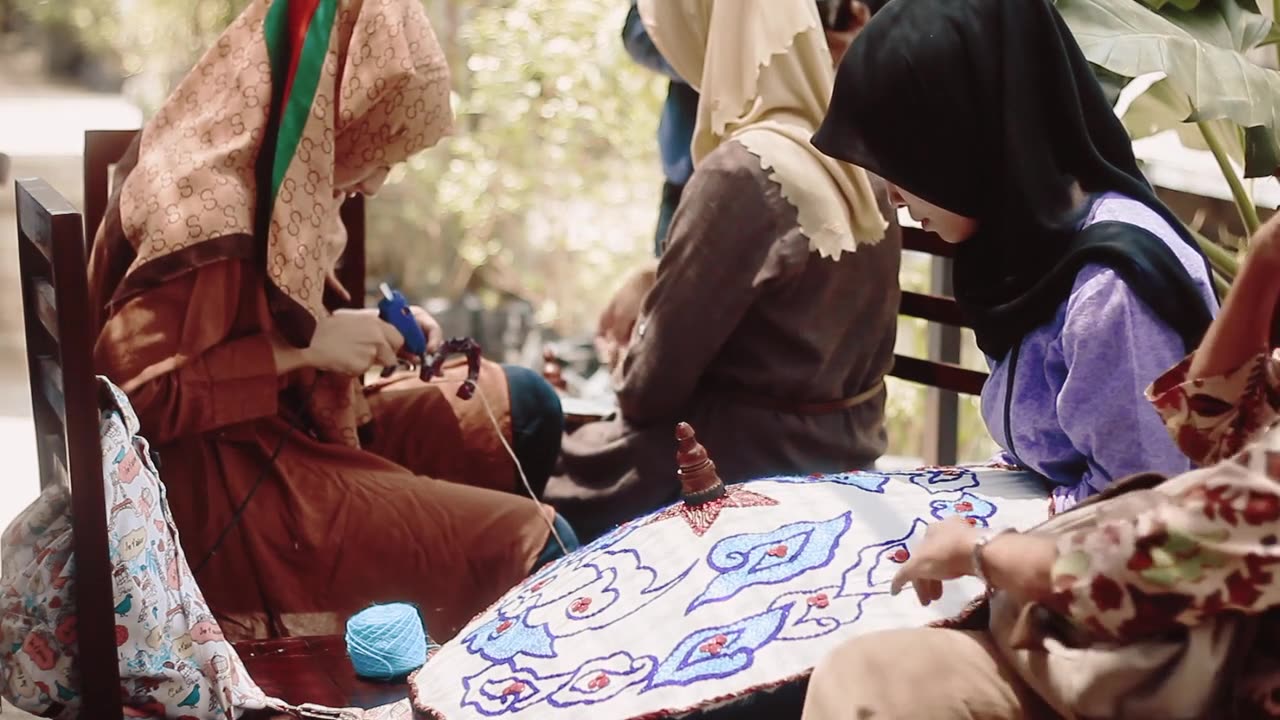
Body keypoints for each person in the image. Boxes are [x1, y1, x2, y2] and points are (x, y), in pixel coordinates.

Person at [87, 0, 574, 643]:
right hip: (217, 500)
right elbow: (132, 400)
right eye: (379, 155)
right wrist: (306, 354)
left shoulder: (253, 147)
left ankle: (448, 618)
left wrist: (358, 329)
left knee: (529, 404)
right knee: (538, 542)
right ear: (334, 119)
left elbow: (255, 317)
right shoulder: (208, 212)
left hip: (268, 429)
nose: (374, 185)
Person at [802, 209, 1280, 720]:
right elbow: (1208, 428)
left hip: (1195, 669)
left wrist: (979, 550)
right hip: (1157, 635)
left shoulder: (1108, 279)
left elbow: (1140, 571)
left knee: (870, 680)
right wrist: (1265, 259)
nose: (891, 192)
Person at [812, 0, 1219, 513]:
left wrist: (986, 550)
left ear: (965, 135)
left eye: (901, 159)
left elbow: (1134, 512)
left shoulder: (1111, 291)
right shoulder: (1025, 246)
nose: (894, 196)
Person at [545, 0, 901, 542]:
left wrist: (627, 356)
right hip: (847, 449)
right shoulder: (850, 150)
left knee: (529, 480)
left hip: (732, 467)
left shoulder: (742, 171)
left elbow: (647, 393)